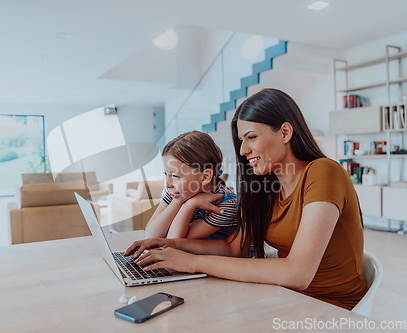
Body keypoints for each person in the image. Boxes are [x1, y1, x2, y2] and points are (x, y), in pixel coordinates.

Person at [126, 88, 368, 310]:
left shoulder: (323, 172)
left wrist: (192, 262)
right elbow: (232, 248)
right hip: (284, 298)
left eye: (251, 137)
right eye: (242, 140)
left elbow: (297, 274)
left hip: (330, 309)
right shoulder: (266, 186)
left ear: (284, 132)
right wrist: (170, 246)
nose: (242, 151)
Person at [144, 130, 237, 240]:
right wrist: (177, 202)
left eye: (175, 176)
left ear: (205, 177)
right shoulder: (175, 192)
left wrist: (189, 205)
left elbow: (174, 242)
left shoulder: (227, 205)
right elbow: (150, 236)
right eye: (166, 174)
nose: (167, 184)